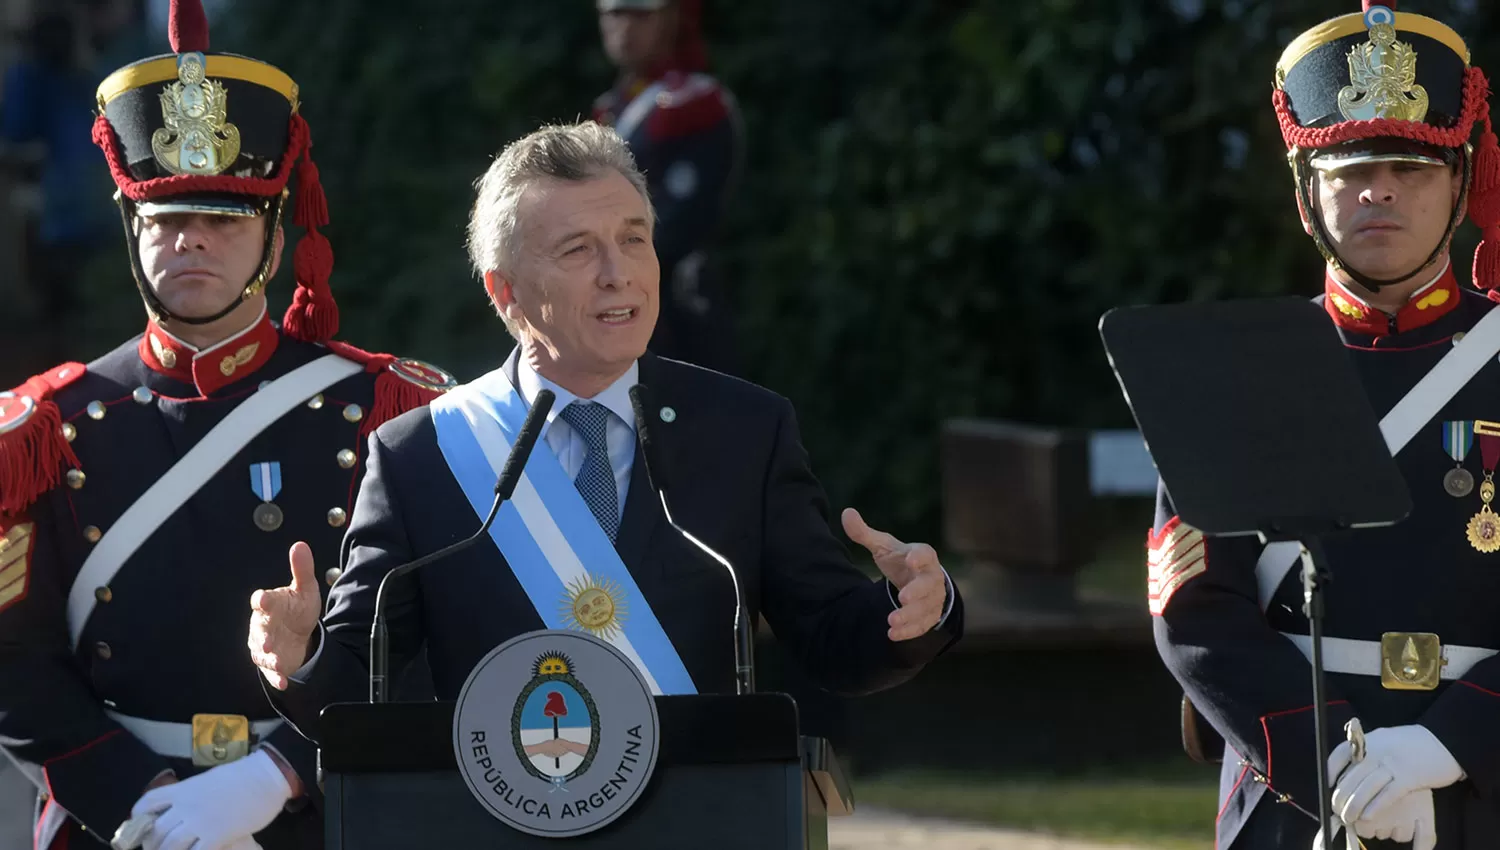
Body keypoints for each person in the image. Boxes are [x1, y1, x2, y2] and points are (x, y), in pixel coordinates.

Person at [247, 120, 961, 734]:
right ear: (506, 293)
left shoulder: (744, 429)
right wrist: (297, 655)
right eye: (578, 250)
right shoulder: (421, 455)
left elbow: (833, 637)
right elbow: (352, 681)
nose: (620, 274)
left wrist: (912, 608)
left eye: (634, 239)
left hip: (700, 815)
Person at [0, 1, 455, 848]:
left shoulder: (383, 409)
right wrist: (141, 802)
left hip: (323, 809)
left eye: (226, 219)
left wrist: (276, 774)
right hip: (122, 825)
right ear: (133, 234)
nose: (193, 243)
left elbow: (422, 642)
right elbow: (15, 669)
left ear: (275, 246)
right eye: (168, 221)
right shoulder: (42, 429)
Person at [1148, 1, 1500, 847]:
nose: (1378, 189)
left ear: (1461, 186)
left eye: (1412, 168)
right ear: (1306, 196)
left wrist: (1445, 745)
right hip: (1297, 798)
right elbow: (1192, 611)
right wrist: (1339, 769)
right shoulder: (1234, 369)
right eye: (1348, 169)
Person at [591, 0, 743, 375]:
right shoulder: (612, 108)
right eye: (615, 13)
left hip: (676, 304)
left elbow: (684, 219)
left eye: (641, 14)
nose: (625, 27)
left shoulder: (695, 103)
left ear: (672, 17)